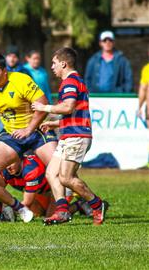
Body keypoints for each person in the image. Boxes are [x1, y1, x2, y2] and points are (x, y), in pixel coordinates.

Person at [32, 47, 108, 226]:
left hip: (77, 136)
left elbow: (68, 107)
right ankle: (62, 211)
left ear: (63, 63)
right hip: (70, 134)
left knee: (66, 177)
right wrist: (55, 123)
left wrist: (44, 108)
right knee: (51, 173)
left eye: (54, 63)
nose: (52, 67)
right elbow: (74, 113)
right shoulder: (73, 81)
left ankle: (97, 204)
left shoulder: (70, 82)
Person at [0, 53, 57, 173]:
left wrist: (28, 129)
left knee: (61, 173)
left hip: (38, 131)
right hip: (11, 134)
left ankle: (69, 192)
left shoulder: (21, 80)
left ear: (5, 70)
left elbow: (43, 105)